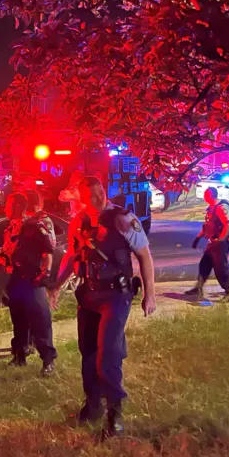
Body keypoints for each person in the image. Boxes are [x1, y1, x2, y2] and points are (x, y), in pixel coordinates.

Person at [49, 176, 157, 437]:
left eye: (101, 192)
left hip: (116, 295)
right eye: (92, 194)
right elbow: (72, 256)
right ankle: (93, 405)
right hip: (88, 295)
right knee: (87, 352)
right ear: (82, 198)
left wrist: (149, 294)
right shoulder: (79, 222)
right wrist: (56, 287)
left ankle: (115, 414)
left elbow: (144, 256)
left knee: (107, 354)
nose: (99, 197)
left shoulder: (122, 218)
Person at [0, 193, 58, 375]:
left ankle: (48, 360)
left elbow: (47, 251)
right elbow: (4, 255)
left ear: (17, 206)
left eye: (8, 205)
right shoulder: (10, 229)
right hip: (16, 279)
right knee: (18, 321)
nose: (4, 209)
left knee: (40, 321)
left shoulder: (34, 227)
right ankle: (19, 356)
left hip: (32, 280)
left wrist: (45, 273)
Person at [186, 187, 229, 301]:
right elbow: (208, 226)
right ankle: (198, 288)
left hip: (220, 242)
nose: (204, 197)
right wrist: (198, 238)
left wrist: (221, 239)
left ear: (211, 195)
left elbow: (228, 224)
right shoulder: (211, 208)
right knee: (204, 264)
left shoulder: (221, 207)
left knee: (220, 269)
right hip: (212, 242)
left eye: (206, 195)